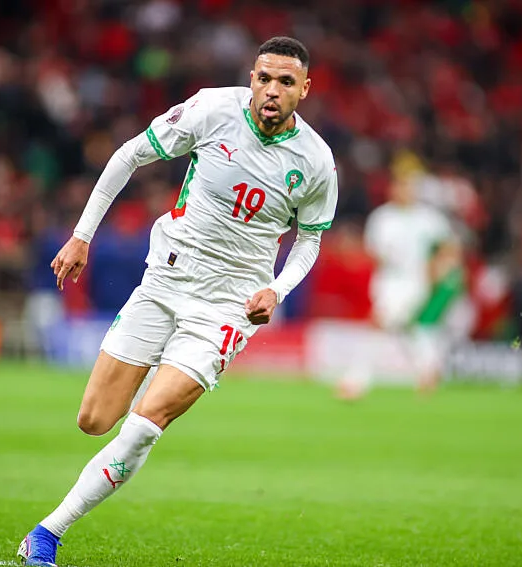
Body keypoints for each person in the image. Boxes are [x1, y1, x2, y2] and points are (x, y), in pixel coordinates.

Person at [17, 36, 337, 567]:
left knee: (146, 423)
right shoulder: (212, 109)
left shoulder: (317, 160)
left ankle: (47, 532)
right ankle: (159, 380)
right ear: (252, 78)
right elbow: (130, 155)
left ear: (304, 89)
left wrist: (277, 289)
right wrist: (82, 236)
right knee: (94, 420)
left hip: (229, 306)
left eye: (286, 81)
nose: (272, 90)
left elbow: (310, 239)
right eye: (264, 78)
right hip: (166, 280)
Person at [336, 172, 463, 399]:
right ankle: (429, 369)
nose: (404, 191)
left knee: (378, 323)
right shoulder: (382, 217)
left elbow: (449, 246)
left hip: (414, 282)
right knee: (405, 328)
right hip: (386, 282)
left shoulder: (428, 218)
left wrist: (440, 268)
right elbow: (373, 251)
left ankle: (355, 381)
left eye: (408, 186)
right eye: (400, 186)